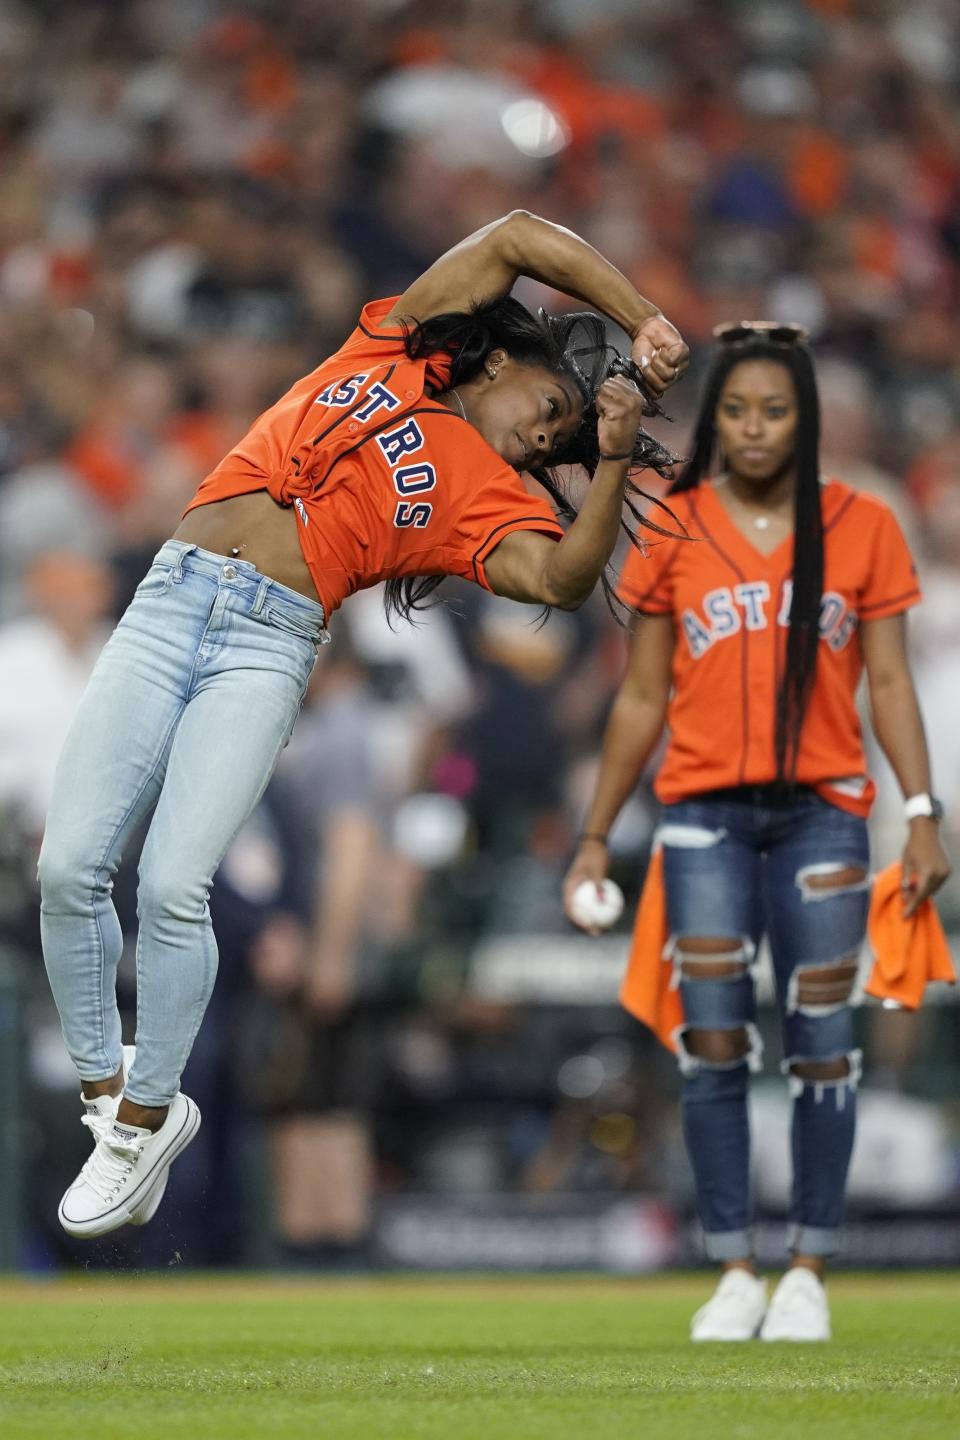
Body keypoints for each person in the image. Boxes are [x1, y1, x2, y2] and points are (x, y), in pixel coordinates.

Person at [37, 209, 689, 1238]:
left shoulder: (490, 502)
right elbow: (518, 235)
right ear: (510, 353)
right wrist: (641, 316)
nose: (544, 433)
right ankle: (103, 1099)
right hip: (167, 601)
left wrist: (607, 460)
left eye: (557, 440)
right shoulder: (400, 340)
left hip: (270, 639)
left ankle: (144, 1119)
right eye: (553, 407)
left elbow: (566, 579)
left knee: (171, 885)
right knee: (68, 869)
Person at [564, 321, 951, 1342]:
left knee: (825, 1045)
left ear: (806, 417)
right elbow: (641, 697)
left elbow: (892, 686)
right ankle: (733, 1264)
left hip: (825, 812)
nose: (754, 427)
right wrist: (597, 835)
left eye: (775, 409)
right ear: (715, 420)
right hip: (702, 816)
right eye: (736, 408)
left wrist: (921, 812)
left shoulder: (862, 524)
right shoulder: (676, 527)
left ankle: (810, 1267)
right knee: (714, 1045)